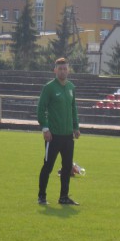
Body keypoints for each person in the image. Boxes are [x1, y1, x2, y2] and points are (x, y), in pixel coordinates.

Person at [36, 57, 81, 206]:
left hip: (68, 136)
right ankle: (41, 196)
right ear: (55, 70)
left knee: (67, 167)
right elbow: (41, 109)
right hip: (53, 136)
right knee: (48, 166)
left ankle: (64, 197)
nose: (63, 71)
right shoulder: (49, 88)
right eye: (60, 69)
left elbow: (73, 108)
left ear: (68, 70)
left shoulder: (71, 87)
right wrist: (45, 128)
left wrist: (76, 127)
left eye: (65, 68)